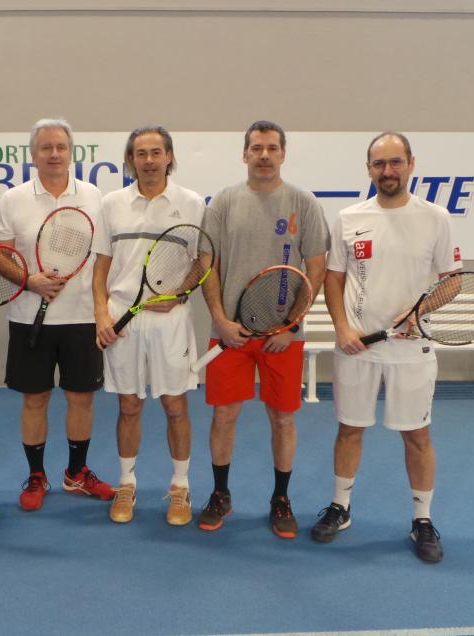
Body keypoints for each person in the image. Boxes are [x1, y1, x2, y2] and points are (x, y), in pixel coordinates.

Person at [311, 131, 460, 563]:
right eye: (379, 164)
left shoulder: (435, 217)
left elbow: (452, 280)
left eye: (395, 162)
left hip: (411, 350)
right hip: (357, 347)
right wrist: (342, 327)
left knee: (417, 435)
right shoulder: (349, 217)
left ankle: (422, 521)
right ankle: (340, 507)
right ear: (369, 169)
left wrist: (417, 314)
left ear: (411, 163)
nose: (387, 171)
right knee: (349, 428)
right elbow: (334, 278)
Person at [198, 121, 329, 537]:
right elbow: (207, 264)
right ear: (245, 154)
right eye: (257, 148)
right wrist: (220, 320)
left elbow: (317, 268)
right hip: (231, 334)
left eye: (272, 148)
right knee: (224, 415)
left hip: (282, 337)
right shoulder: (223, 202)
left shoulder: (303, 203)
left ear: (283, 154)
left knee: (283, 420)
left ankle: (280, 499)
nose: (265, 155)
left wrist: (291, 326)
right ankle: (220, 494)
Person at [0, 118, 114, 512]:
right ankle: (37, 474)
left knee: (81, 399)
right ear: (33, 154)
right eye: (46, 147)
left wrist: (101, 306)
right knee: (35, 400)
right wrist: (29, 281)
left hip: (82, 318)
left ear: (71, 151)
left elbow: (104, 258)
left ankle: (76, 473)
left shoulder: (95, 197)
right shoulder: (13, 199)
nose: (54, 154)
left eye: (61, 146)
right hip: (29, 317)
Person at [93, 125, 205, 526]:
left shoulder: (191, 203)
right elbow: (102, 265)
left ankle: (180, 488)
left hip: (170, 321)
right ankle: (126, 484)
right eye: (141, 153)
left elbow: (203, 260)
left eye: (156, 152)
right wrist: (102, 314)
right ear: (130, 160)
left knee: (175, 405)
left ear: (169, 157)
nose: (149, 160)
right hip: (123, 318)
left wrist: (183, 293)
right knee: (129, 405)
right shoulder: (111, 203)